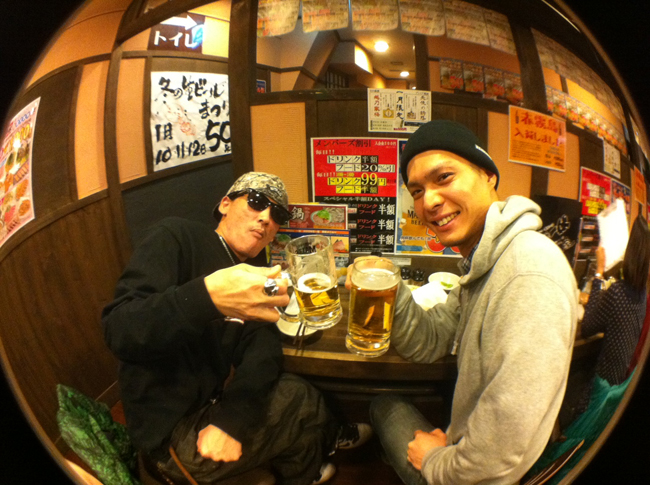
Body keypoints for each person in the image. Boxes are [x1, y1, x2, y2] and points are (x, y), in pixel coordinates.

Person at [102, 172, 370, 485]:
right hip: (169, 436)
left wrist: (232, 419)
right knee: (304, 402)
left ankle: (305, 462)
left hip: (210, 407)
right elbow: (120, 329)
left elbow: (262, 350)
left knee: (293, 387)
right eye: (256, 201)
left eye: (277, 215)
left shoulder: (257, 274)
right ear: (225, 204)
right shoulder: (177, 236)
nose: (266, 218)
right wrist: (207, 297)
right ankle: (311, 460)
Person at [362, 120, 578, 485]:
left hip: (480, 475)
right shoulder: (482, 265)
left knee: (382, 407)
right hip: (467, 447)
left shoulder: (527, 270)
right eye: (417, 191)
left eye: (444, 177)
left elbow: (500, 454)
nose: (429, 201)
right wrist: (390, 285)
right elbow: (428, 342)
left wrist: (434, 460)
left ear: (488, 176)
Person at [572, 215, 650, 418]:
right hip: (618, 384)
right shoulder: (642, 294)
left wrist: (598, 273)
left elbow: (588, 326)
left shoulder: (618, 292)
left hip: (601, 387)